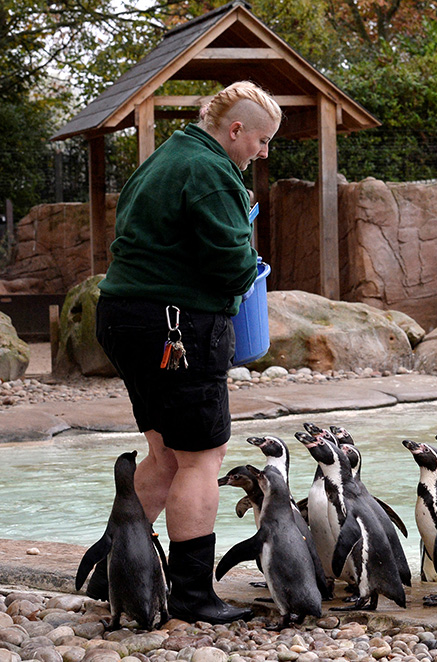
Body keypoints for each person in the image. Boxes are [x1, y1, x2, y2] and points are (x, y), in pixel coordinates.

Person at [92, 81, 282, 624]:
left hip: (124, 315)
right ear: (236, 129)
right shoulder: (210, 171)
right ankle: (194, 595)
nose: (263, 153)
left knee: (165, 456)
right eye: (261, 141)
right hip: (174, 326)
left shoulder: (167, 156)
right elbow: (232, 265)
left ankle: (112, 574)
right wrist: (246, 269)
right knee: (202, 459)